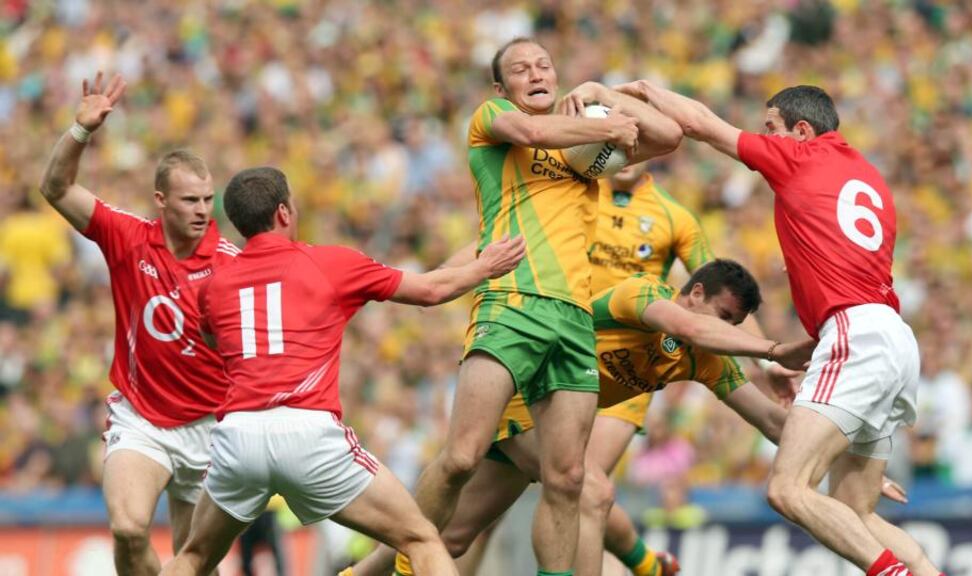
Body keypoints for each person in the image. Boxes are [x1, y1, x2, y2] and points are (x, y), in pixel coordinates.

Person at [616, 80, 944, 576]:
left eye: (770, 127)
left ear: (802, 130)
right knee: (855, 511)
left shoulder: (800, 158)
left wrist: (644, 91)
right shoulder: (869, 177)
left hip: (855, 334)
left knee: (786, 489)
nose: (763, 136)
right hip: (893, 337)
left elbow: (701, 124)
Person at [392, 37, 683, 576]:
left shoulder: (583, 150)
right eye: (521, 69)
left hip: (574, 319)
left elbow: (669, 136)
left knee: (569, 478)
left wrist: (602, 94)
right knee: (461, 456)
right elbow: (530, 131)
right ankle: (407, 570)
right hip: (511, 303)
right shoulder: (494, 118)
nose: (535, 73)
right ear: (503, 88)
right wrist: (607, 126)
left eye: (544, 64)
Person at [348, 261, 831, 576]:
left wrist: (842, 443)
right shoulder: (642, 296)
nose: (721, 330)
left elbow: (769, 419)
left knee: (450, 537)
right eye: (721, 316)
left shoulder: (701, 357)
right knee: (585, 485)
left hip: (544, 423)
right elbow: (682, 323)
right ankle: (640, 568)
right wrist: (770, 350)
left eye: (731, 325)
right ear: (695, 292)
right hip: (516, 395)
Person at [158, 166, 526, 576]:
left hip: (238, 435)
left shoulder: (213, 286)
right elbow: (431, 290)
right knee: (420, 537)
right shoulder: (330, 262)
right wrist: (485, 266)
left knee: (192, 556)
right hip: (307, 431)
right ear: (284, 212)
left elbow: (213, 341)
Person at [39, 72, 237, 576]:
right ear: (160, 201)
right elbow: (55, 188)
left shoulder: (233, 263)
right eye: (190, 200)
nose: (202, 211)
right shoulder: (128, 237)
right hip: (142, 418)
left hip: (211, 429)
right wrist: (80, 131)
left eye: (207, 199)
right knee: (129, 529)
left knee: (197, 566)